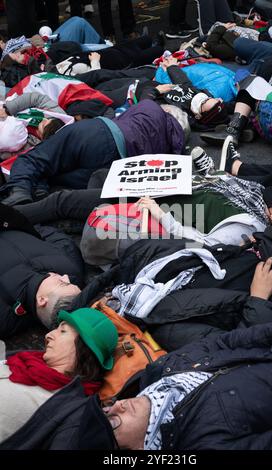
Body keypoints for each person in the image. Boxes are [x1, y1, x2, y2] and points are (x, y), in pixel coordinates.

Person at [3, 320, 272, 449]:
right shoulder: (205, 441)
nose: (118, 405)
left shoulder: (156, 373)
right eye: (114, 422)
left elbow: (223, 342)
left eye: (107, 406)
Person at [0, 100, 185, 205]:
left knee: (37, 159)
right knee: (60, 178)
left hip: (99, 132)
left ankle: (19, 190)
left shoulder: (151, 108)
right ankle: (38, 195)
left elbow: (123, 116)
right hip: (116, 167)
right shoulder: (174, 147)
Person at [0, 307, 118, 444]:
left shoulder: (66, 410)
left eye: (63, 331)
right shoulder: (27, 359)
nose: (48, 335)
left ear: (83, 347)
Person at [0, 203, 84, 337]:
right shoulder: (71, 270)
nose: (66, 277)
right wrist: (32, 230)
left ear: (42, 300)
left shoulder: (5, 316)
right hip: (15, 220)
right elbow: (63, 242)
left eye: (63, 283)